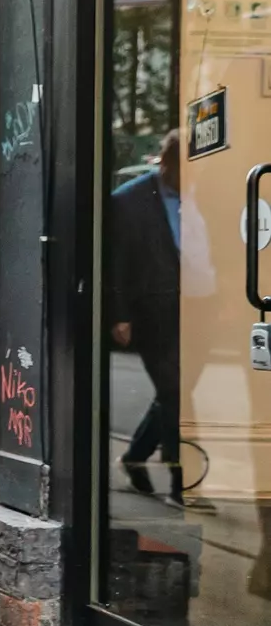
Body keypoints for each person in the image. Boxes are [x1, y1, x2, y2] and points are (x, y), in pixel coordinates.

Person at [109, 129, 211, 512]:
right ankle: (182, 483)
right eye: (186, 167)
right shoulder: (129, 200)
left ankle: (135, 456)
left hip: (201, 302)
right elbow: (116, 261)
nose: (193, 175)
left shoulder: (202, 193)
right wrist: (119, 314)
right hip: (153, 310)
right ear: (166, 163)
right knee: (176, 392)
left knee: (174, 393)